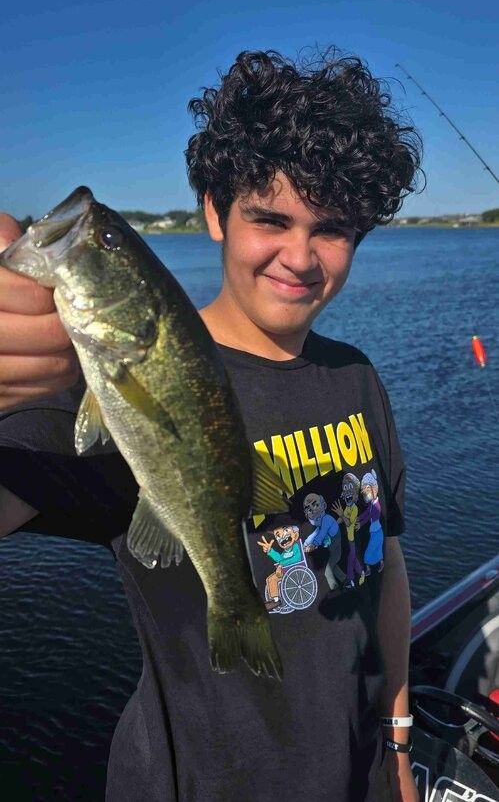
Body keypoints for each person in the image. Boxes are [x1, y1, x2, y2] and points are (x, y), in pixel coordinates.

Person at [0, 48, 423, 801]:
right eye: (270, 219)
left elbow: (384, 569)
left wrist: (397, 738)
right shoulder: (94, 390)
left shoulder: (356, 377)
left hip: (360, 775)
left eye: (331, 229)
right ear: (213, 212)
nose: (300, 256)